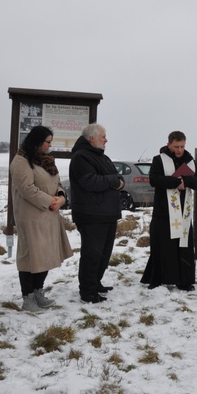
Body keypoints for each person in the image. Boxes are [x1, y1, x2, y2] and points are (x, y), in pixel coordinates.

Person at [10, 126, 74, 312]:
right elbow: (27, 188)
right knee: (31, 256)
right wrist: (49, 201)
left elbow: (58, 183)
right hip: (32, 216)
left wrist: (61, 198)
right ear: (36, 141)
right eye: (47, 141)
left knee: (45, 255)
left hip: (49, 214)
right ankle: (28, 297)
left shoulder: (46, 160)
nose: (49, 145)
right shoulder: (21, 161)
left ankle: (38, 291)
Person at [141, 131, 197, 291]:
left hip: (183, 212)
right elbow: (154, 179)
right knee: (162, 245)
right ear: (169, 145)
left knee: (183, 246)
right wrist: (176, 182)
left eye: (182, 146)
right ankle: (158, 279)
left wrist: (186, 181)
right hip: (164, 211)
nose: (179, 150)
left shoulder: (190, 161)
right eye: (176, 146)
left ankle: (184, 280)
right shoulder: (159, 160)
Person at [69, 124, 124, 303]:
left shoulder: (102, 157)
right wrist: (114, 181)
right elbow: (90, 182)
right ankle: (87, 291)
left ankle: (96, 282)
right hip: (91, 215)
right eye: (103, 136)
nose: (106, 139)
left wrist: (116, 180)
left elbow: (118, 177)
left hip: (106, 214)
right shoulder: (81, 157)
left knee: (104, 253)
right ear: (91, 138)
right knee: (92, 254)